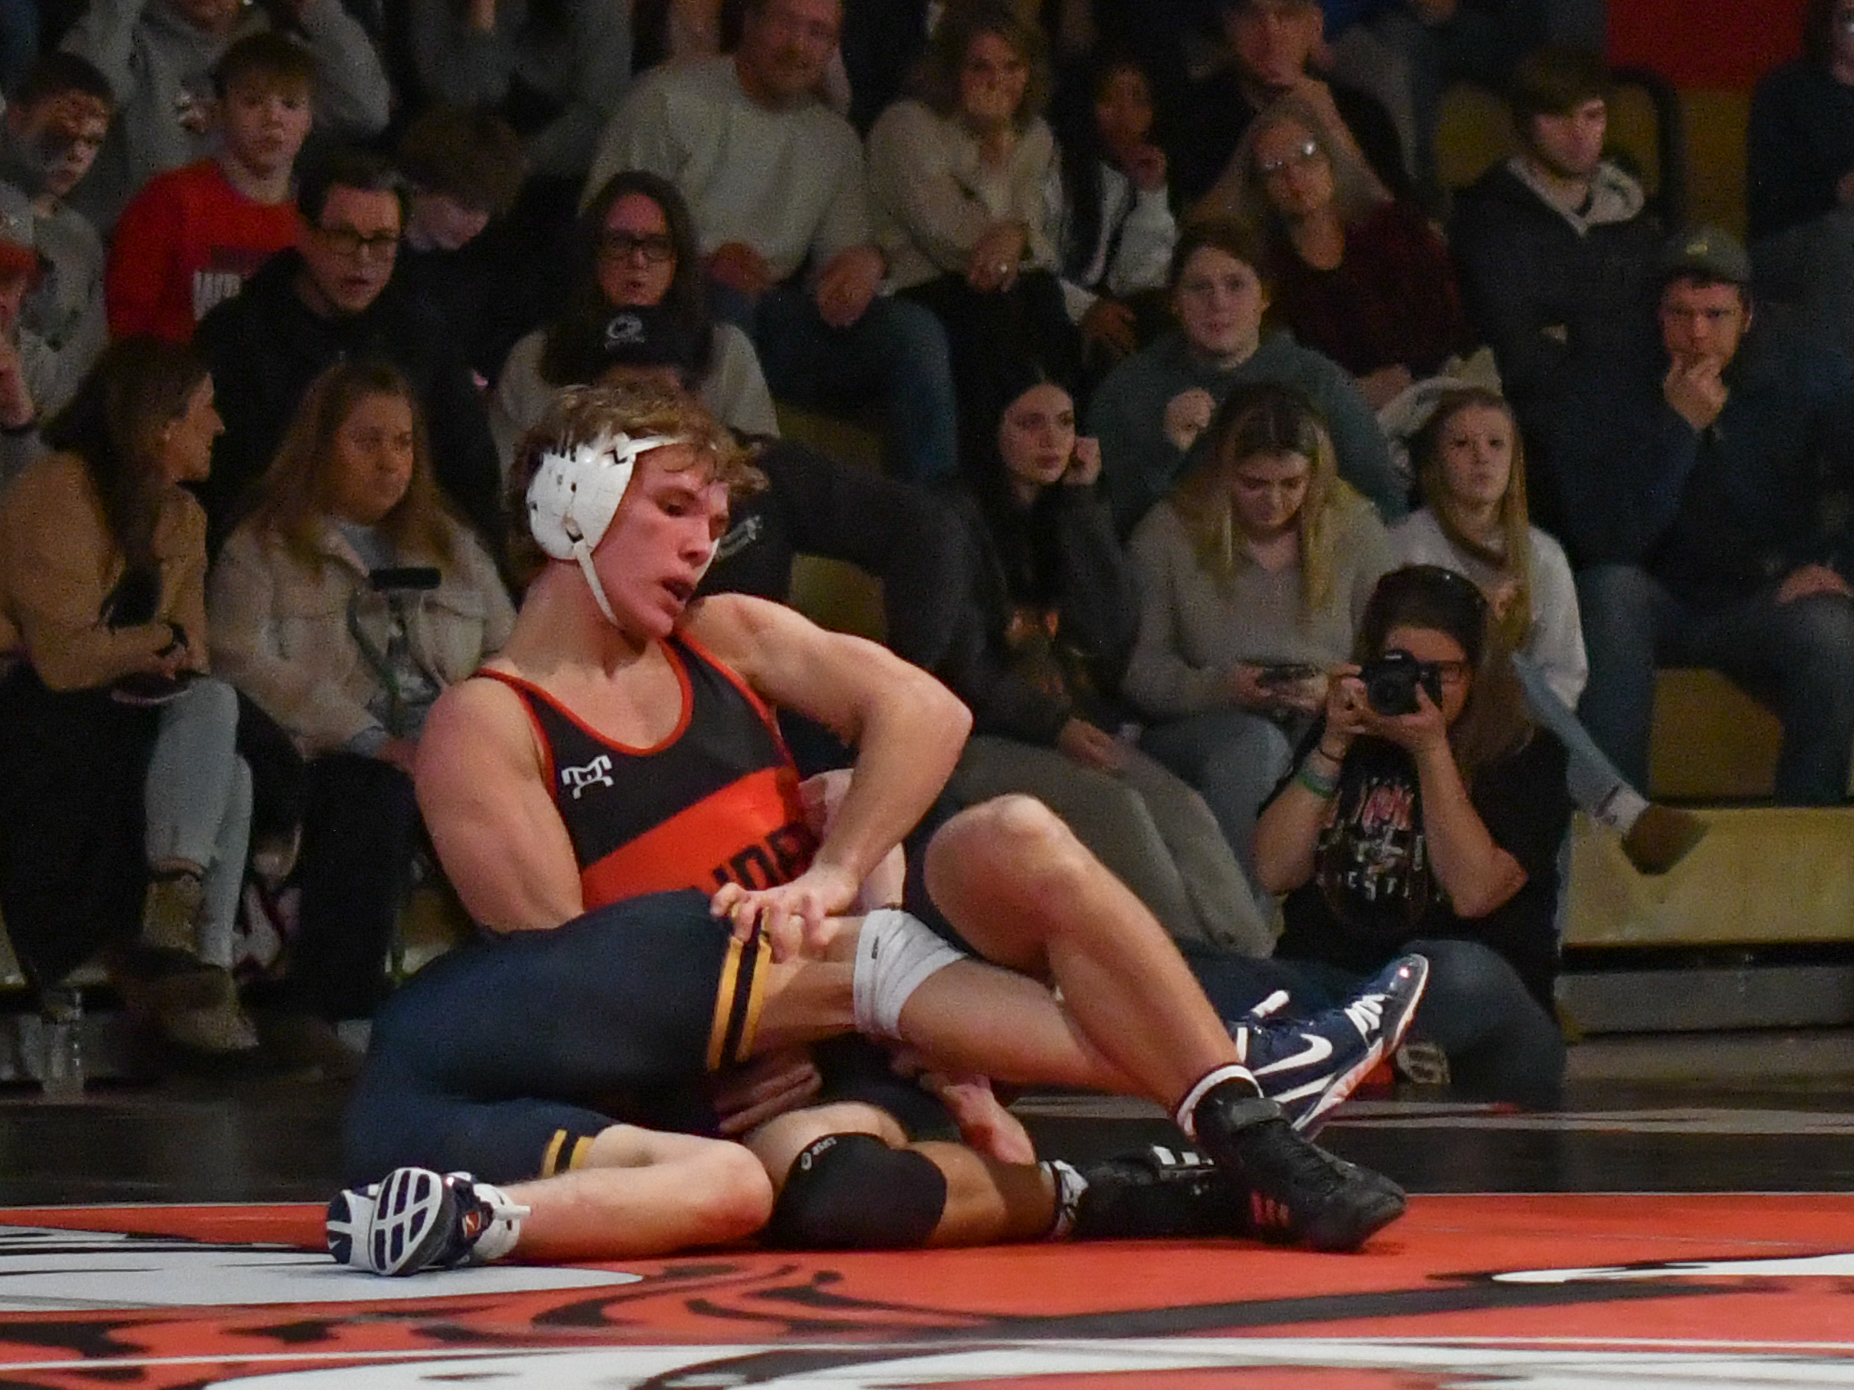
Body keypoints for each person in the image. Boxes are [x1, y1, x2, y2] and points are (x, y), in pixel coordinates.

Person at [326, 379, 1424, 1276]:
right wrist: (736, 1050)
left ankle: (1235, 1076)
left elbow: (926, 710)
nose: (703, 545)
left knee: (1015, 833)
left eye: (716, 521)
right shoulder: (493, 723)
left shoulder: (725, 635)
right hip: (742, 1065)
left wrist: (842, 866)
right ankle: (1186, 1144)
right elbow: (570, 1000)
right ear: (570, 504)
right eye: (675, 509)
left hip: (875, 974)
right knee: (840, 1192)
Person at [209, 358, 516, 1042]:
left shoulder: (453, 543)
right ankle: (343, 1014)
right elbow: (240, 662)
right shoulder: (261, 547)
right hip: (330, 757)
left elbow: (510, 648)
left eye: (402, 443)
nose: (389, 462)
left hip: (450, 740)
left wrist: (476, 729)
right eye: (367, 441)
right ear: (321, 447)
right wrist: (370, 737)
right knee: (374, 794)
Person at [930, 364, 1275, 955]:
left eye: (1065, 423)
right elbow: (961, 664)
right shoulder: (947, 517)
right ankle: (1193, 965)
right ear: (992, 430)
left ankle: (1257, 961)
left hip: (1075, 728)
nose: (1052, 440)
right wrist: (1054, 726)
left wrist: (1082, 506)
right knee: (1117, 810)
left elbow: (1112, 632)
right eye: (1030, 424)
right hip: (981, 738)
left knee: (1184, 809)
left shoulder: (1066, 507)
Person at [0, 337, 257, 1054]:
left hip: (123, 710)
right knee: (216, 714)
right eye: (206, 410)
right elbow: (62, 661)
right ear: (162, 424)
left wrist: (149, 644)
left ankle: (200, 963)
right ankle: (186, 947)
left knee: (229, 752)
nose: (220, 427)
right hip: (38, 715)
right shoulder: (60, 491)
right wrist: (154, 640)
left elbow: (193, 650)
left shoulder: (184, 517)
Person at [582, 0, 958, 483]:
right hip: (670, 307)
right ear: (750, 20)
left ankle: (930, 509)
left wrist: (864, 264)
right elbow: (600, 224)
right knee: (728, 303)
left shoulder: (834, 140)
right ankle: (724, 490)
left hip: (776, 313)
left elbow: (838, 266)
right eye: (785, 23)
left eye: (817, 33)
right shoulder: (669, 99)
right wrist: (696, 263)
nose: (798, 46)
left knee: (915, 333)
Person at [1551, 225, 1854, 808]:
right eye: (1680, 314)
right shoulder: (1611, 378)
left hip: (1764, 596)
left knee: (1832, 629)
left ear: (1747, 316)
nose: (1696, 334)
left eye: (1715, 316)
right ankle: (1618, 820)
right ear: (1657, 315)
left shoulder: (1804, 370)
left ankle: (1808, 827)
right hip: (1658, 599)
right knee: (1609, 590)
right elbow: (1605, 540)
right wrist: (1677, 430)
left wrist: (1840, 567)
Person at [1252, 563, 1571, 1104]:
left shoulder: (1528, 754)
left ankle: (1340, 1054)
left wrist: (1430, 750)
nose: (1421, 688)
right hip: (1339, 985)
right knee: (1204, 971)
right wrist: (1332, 746)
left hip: (1477, 1007)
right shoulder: (1343, 734)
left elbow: (1473, 891)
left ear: (1477, 671)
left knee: (1453, 972)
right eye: (1403, 668)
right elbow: (1274, 870)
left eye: (1442, 673)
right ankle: (1367, 1055)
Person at [1387, 387, 1707, 874]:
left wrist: (1512, 722)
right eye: (1462, 445)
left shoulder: (1541, 554)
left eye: (1496, 444)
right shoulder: (1401, 546)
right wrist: (1475, 625)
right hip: (1425, 714)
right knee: (1509, 666)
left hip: (1514, 732)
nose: (1481, 458)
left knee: (1526, 712)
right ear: (1436, 461)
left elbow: (1565, 673)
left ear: (1515, 460)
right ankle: (1622, 809)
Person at [1123, 382, 1391, 913]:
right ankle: (1246, 924)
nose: (1274, 502)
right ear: (1223, 474)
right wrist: (1223, 687)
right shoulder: (1168, 533)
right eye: (1253, 484)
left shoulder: (1354, 530)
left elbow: (1388, 658)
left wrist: (1333, 691)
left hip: (1323, 716)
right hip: (1207, 724)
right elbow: (1139, 670)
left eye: (1292, 484)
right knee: (1254, 747)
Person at [192, 146, 506, 557]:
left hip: (401, 547)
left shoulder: (420, 331)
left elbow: (468, 466)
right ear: (304, 234)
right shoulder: (238, 334)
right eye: (344, 236)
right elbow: (221, 485)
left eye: (382, 241)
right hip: (275, 552)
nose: (363, 258)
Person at [1087, 218, 1406, 540]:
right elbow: (1105, 528)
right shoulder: (1127, 390)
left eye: (1235, 285)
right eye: (1199, 287)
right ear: (1174, 302)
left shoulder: (1319, 382)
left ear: (1264, 297)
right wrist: (1164, 449)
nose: (1218, 303)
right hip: (1177, 562)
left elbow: (1385, 503)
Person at [1447, 44, 1662, 494]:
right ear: (1526, 123)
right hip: (1542, 434)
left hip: (1637, 415)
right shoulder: (1488, 220)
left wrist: (1574, 329)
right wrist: (1609, 327)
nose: (1579, 133)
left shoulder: (1632, 216)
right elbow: (1517, 350)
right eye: (1558, 117)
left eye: (1592, 115)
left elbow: (1656, 326)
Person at [865, 3, 1081, 428]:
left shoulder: (1035, 135)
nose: (997, 82)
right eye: (980, 67)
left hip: (1007, 285)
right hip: (921, 287)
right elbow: (954, 241)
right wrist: (995, 155)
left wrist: (1017, 238)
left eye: (1012, 66)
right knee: (992, 317)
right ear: (952, 69)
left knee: (1045, 303)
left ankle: (1065, 450)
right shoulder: (907, 126)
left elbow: (1045, 241)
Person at [1199, 94, 1476, 410]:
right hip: (1337, 417)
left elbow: (1452, 321)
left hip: (1440, 394)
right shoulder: (1266, 272)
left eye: (1306, 154)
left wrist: (1410, 377)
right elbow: (1277, 376)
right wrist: (1352, 393)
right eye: (1274, 168)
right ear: (1260, 187)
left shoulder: (1395, 228)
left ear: (1330, 155)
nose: (1294, 177)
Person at [491, 169, 777, 474]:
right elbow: (501, 479)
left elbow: (761, 469)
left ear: (677, 260)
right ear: (592, 253)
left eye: (657, 245)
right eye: (619, 242)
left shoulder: (725, 351)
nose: (638, 260)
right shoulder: (533, 358)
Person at [57, 0, 389, 234]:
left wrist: (313, 7)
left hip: (246, 256)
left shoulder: (270, 47)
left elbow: (364, 110)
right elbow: (74, 102)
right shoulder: (128, 41)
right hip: (126, 255)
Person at [105, 32, 316, 344]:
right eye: (252, 101)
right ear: (219, 111)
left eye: (290, 104)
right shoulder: (170, 200)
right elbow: (126, 322)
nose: (273, 118)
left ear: (309, 119)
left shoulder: (318, 214)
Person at [1172, 0, 1411, 209]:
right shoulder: (1194, 115)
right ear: (1228, 24)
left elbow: (1406, 225)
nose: (1271, 33)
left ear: (1315, 26)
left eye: (1288, 14)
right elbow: (1193, 225)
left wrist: (1331, 123)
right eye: (1251, 15)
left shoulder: (1360, 112)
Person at [405, 0, 632, 197]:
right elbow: (460, 102)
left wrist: (518, 162)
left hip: (549, 178)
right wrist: (481, 17)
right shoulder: (434, 7)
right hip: (456, 169)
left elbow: (597, 117)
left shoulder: (595, 9)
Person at [1047, 49, 1179, 373]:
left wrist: (1151, 195)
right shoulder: (1052, 164)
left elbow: (1140, 281)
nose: (1124, 116)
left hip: (1102, 307)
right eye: (1108, 100)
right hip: (1049, 307)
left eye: (1138, 101)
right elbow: (1034, 264)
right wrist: (1086, 308)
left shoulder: (1137, 179)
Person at [1, 53, 114, 413]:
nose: (76, 153)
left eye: (92, 142)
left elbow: (87, 359)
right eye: (60, 134)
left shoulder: (83, 241)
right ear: (16, 119)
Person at [391, 105, 535, 386]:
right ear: (419, 184)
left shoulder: (480, 271)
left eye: (487, 211)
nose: (477, 224)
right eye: (465, 206)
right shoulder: (375, 257)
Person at [1746, 0, 1854, 363]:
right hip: (1794, 237)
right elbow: (1768, 199)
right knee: (1843, 239)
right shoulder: (1786, 91)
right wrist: (1839, 190)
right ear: (1826, 23)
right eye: (1850, 19)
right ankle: (1836, 385)